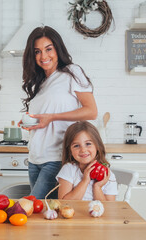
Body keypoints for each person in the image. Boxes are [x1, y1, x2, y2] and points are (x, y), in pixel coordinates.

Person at [19, 26, 98, 199]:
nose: (43, 56)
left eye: (48, 49)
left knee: (31, 209)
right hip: (34, 159)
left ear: (57, 48)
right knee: (45, 214)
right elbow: (44, 118)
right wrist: (29, 122)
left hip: (56, 158)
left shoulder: (71, 73)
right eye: (37, 51)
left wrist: (53, 117)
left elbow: (91, 111)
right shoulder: (38, 83)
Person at [56, 121, 117, 201]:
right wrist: (85, 181)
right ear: (70, 150)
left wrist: (97, 187)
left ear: (97, 146)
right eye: (76, 146)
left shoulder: (108, 175)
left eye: (88, 144)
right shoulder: (68, 169)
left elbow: (109, 208)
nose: (83, 150)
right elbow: (64, 202)